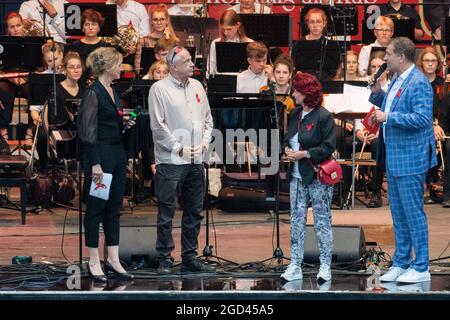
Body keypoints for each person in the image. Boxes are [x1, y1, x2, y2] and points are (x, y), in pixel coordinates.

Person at [370, 37, 435, 283]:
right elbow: (391, 104)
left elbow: (421, 119)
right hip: (396, 155)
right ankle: (401, 262)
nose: (384, 58)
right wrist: (377, 94)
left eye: (388, 53)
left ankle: (421, 267)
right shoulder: (398, 78)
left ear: (401, 57)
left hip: (411, 157)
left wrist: (388, 116)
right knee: (398, 213)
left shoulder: (418, 83)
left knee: (413, 214)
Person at [148, 46, 214, 274]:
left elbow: (208, 120)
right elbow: (157, 126)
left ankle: (189, 257)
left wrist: (204, 144)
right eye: (186, 61)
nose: (192, 64)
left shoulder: (197, 86)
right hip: (170, 161)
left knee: (194, 211)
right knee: (166, 212)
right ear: (173, 66)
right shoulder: (158, 89)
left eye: (191, 60)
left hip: (196, 160)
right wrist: (179, 148)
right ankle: (165, 257)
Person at [78, 47, 135, 282]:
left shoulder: (113, 90)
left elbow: (110, 124)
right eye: (119, 64)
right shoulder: (93, 93)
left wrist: (126, 126)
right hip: (100, 158)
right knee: (96, 209)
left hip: (117, 154)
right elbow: (87, 132)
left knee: (113, 208)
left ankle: (112, 258)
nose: (121, 68)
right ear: (109, 66)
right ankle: (93, 260)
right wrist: (95, 165)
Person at [281, 72, 336, 283]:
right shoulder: (295, 113)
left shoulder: (323, 116)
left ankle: (325, 266)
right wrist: (286, 148)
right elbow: (288, 138)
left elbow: (328, 146)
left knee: (322, 222)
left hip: (317, 176)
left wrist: (305, 154)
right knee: (296, 221)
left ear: (306, 93)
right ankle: (295, 264)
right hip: (296, 176)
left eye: (296, 90)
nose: (293, 93)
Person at [417, 47, 445, 204]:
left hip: (439, 124)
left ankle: (437, 185)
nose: (430, 64)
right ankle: (424, 186)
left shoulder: (443, 83)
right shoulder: (417, 82)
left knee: (441, 142)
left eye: (433, 61)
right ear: (421, 63)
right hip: (422, 125)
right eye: (426, 60)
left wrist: (439, 125)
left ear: (437, 64)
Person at [134, 4, 179, 76]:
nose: (159, 23)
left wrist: (168, 40)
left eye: (162, 19)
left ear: (167, 21)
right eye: (155, 20)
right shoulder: (143, 41)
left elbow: (177, 67)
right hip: (148, 80)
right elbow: (137, 69)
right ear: (151, 22)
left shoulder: (174, 41)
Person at [207, 9, 253, 77]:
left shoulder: (250, 44)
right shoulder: (215, 43)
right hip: (223, 83)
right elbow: (211, 68)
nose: (225, 33)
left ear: (238, 25)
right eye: (223, 29)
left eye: (229, 29)